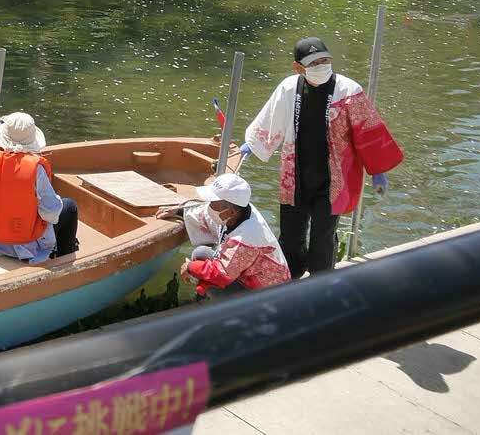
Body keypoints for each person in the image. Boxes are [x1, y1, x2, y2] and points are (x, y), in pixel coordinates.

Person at [236, 36, 404, 278]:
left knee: (323, 236)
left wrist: (377, 170)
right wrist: (253, 145)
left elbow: (367, 132)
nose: (321, 66)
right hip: (296, 175)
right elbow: (271, 120)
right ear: (298, 67)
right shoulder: (288, 88)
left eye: (325, 60)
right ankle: (290, 280)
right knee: (291, 235)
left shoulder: (348, 91)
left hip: (333, 178)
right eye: (314, 63)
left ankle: (322, 283)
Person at [0, 111, 80, 261]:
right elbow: (51, 213)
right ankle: (64, 258)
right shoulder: (35, 169)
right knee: (70, 206)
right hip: (26, 246)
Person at [156, 172, 290, 298]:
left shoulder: (247, 238)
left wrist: (190, 268)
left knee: (205, 272)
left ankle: (238, 312)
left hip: (264, 295)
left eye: (213, 203)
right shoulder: (240, 210)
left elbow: (222, 274)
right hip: (246, 276)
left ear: (231, 211)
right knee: (201, 254)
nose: (209, 206)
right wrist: (178, 211)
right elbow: (204, 214)